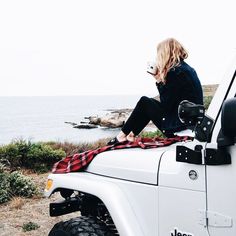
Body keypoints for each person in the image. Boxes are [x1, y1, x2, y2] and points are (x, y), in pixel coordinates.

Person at [108, 38, 203, 145]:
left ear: (165, 53)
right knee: (148, 103)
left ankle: (121, 136)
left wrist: (159, 80)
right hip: (191, 125)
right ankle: (131, 135)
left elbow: (166, 104)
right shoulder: (187, 69)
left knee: (145, 102)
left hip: (179, 128)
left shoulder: (174, 72)